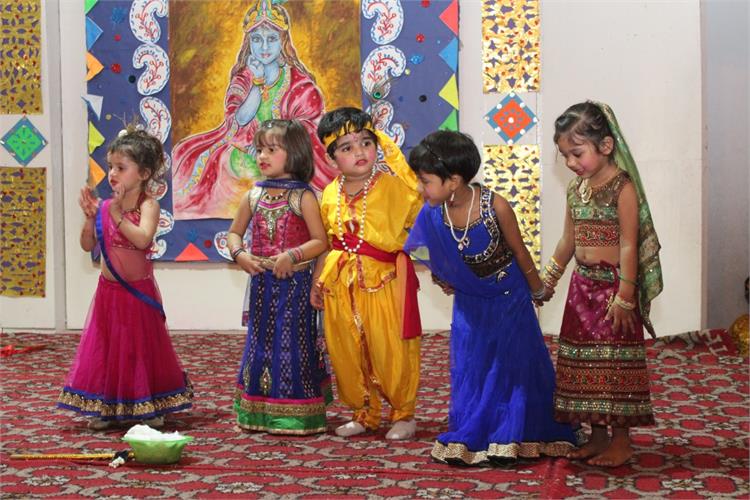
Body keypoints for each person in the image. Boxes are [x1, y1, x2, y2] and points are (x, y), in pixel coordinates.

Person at [404, 130, 577, 465]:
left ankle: (512, 434)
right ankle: (479, 428)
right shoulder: (433, 212)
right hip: (470, 304)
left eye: (425, 181)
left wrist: (538, 289)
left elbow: (520, 252)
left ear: (453, 181)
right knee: (474, 363)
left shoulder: (495, 206)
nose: (421, 188)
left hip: (509, 297)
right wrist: (445, 277)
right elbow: (431, 251)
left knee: (510, 365)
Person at [543, 101, 663, 467]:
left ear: (606, 146)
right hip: (581, 288)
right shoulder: (575, 189)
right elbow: (568, 240)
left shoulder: (621, 187)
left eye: (577, 153)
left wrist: (625, 296)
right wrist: (549, 278)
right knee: (583, 363)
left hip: (613, 290)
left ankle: (621, 441)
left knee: (612, 366)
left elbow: (628, 244)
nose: (570, 162)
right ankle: (596, 437)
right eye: (565, 155)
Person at [58, 127, 193, 430]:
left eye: (121, 167)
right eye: (110, 167)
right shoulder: (105, 207)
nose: (112, 174)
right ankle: (107, 405)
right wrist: (91, 218)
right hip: (108, 294)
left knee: (139, 348)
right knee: (108, 348)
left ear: (143, 173)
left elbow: (143, 238)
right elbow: (87, 245)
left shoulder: (148, 205)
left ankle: (148, 404)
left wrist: (117, 213)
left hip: (138, 294)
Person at [311, 107, 422, 440]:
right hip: (339, 284)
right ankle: (364, 412)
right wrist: (318, 282)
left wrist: (396, 157)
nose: (359, 151)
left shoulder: (395, 187)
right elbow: (329, 242)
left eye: (366, 142)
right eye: (347, 147)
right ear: (331, 158)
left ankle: (403, 413)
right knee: (346, 349)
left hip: (383, 282)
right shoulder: (329, 193)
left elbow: (421, 200)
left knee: (390, 348)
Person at [171, 0, 336, 220]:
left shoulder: (299, 83)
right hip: (247, 151)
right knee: (219, 166)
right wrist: (256, 82)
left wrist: (276, 146)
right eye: (257, 39)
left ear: (283, 41)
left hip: (290, 158)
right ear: (248, 42)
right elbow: (239, 119)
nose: (264, 47)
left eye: (271, 39)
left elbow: (310, 128)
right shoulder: (244, 77)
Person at [227, 119, 330, 435]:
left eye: (272, 149)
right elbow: (234, 233)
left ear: (295, 152)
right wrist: (239, 254)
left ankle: (295, 413)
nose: (262, 156)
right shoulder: (253, 196)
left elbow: (320, 241)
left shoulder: (303, 197)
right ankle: (258, 411)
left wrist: (292, 255)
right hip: (261, 284)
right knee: (259, 344)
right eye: (260, 149)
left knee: (292, 346)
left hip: (295, 287)